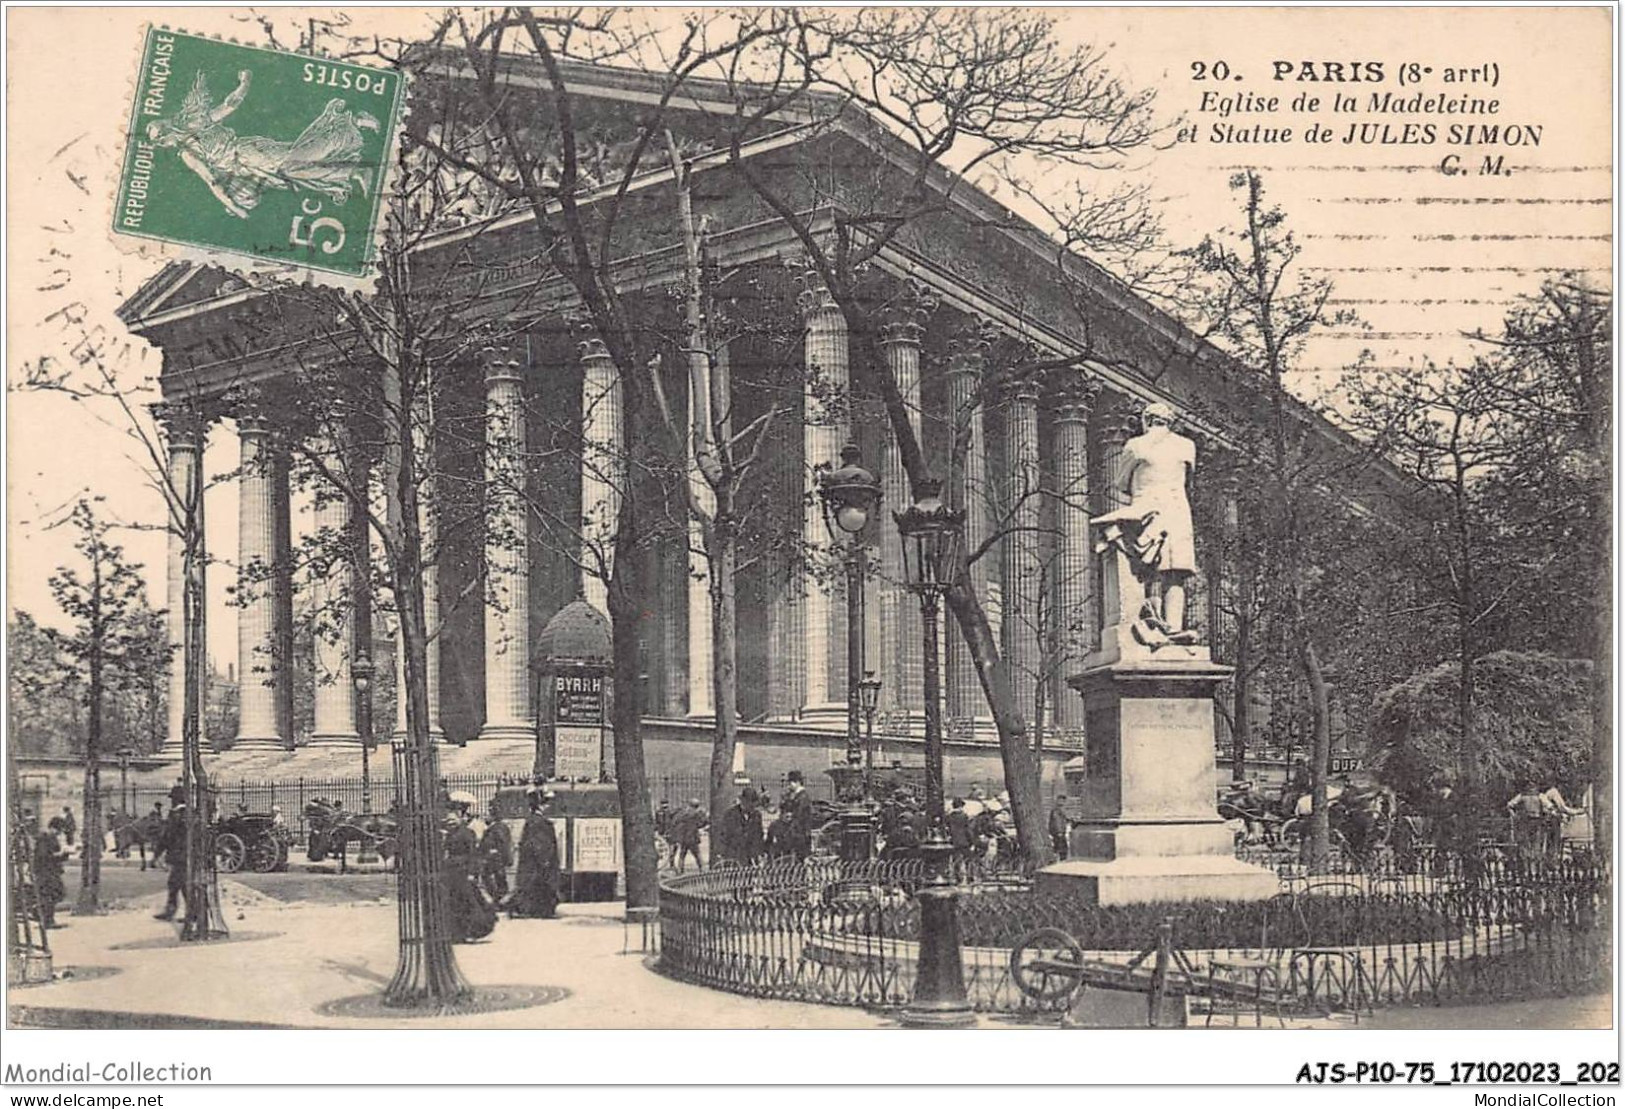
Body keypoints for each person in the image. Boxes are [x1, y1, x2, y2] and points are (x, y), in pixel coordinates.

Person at [145, 70, 380, 220]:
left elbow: (229, 106)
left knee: (295, 161)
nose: (165, 143)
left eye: (162, 137)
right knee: (295, 169)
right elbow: (213, 180)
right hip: (247, 168)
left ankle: (351, 124)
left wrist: (245, 82)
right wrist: (235, 206)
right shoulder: (187, 154)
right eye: (161, 142)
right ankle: (349, 171)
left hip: (247, 152)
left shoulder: (195, 125)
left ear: (167, 132)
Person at [1091, 402, 1200, 643]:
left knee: (1149, 568)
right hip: (1178, 510)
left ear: (1146, 420)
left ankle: (1153, 623)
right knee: (1175, 572)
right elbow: (1189, 481)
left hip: (1147, 509)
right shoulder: (1187, 446)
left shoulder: (1135, 445)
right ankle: (1173, 626)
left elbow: (1120, 483)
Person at [442, 809, 496, 943]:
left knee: (467, 902)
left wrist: (472, 872)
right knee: (454, 902)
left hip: (464, 871)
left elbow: (473, 854)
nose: (450, 823)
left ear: (460, 819)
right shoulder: (449, 834)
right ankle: (457, 932)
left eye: (453, 820)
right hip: (451, 872)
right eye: (448, 821)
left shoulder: (467, 833)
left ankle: (472, 930)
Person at [510, 789, 561, 919]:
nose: (549, 806)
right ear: (540, 806)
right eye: (546, 803)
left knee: (532, 884)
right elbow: (539, 844)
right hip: (539, 863)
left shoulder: (533, 820)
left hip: (533, 863)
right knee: (540, 884)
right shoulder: (539, 822)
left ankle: (530, 908)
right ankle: (539, 910)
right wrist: (545, 860)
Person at [152, 786, 190, 923]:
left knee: (176, 883)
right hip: (187, 854)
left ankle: (175, 912)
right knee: (181, 884)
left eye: (173, 799)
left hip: (179, 855)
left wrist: (157, 854)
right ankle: (189, 912)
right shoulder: (189, 813)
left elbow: (167, 836)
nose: (172, 801)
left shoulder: (177, 814)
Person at [715, 788, 766, 867]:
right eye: (750, 803)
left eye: (754, 803)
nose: (752, 806)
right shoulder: (730, 814)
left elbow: (759, 835)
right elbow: (723, 835)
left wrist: (760, 853)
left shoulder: (757, 815)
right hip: (734, 854)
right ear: (743, 801)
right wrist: (721, 853)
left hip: (751, 856)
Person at [33, 817, 67, 929]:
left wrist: (64, 854)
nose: (60, 833)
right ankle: (46, 920)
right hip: (46, 872)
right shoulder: (45, 838)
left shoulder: (50, 838)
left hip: (51, 871)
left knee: (56, 894)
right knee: (50, 895)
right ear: (53, 827)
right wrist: (59, 854)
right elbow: (44, 856)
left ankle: (47, 919)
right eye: (59, 830)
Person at [479, 798, 514, 905]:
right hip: (493, 858)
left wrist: (505, 857)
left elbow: (503, 843)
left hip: (495, 858)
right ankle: (499, 899)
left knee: (496, 879)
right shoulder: (495, 826)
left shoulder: (498, 827)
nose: (486, 815)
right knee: (495, 878)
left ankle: (500, 900)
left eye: (489, 812)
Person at [1539, 783, 1583, 859]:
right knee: (1554, 842)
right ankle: (1553, 860)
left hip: (1541, 820)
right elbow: (1562, 807)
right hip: (1552, 819)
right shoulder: (1553, 792)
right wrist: (1577, 812)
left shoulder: (1539, 795)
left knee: (1545, 842)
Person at [780, 771, 814, 861]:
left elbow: (799, 813)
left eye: (791, 783)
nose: (789, 785)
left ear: (798, 782)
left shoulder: (803, 796)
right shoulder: (795, 795)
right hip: (796, 827)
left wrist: (790, 816)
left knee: (800, 856)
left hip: (801, 830)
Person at [1507, 782, 1547, 857]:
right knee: (1526, 844)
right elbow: (1509, 805)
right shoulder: (1522, 795)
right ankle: (1528, 863)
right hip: (1526, 822)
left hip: (1536, 821)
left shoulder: (1539, 796)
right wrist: (1515, 816)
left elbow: (1549, 807)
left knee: (1535, 844)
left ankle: (1534, 862)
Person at [670, 799, 708, 874]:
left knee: (682, 855)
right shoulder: (696, 813)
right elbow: (702, 823)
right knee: (697, 854)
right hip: (693, 837)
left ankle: (680, 871)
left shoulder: (683, 813)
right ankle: (702, 869)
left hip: (684, 838)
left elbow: (675, 821)